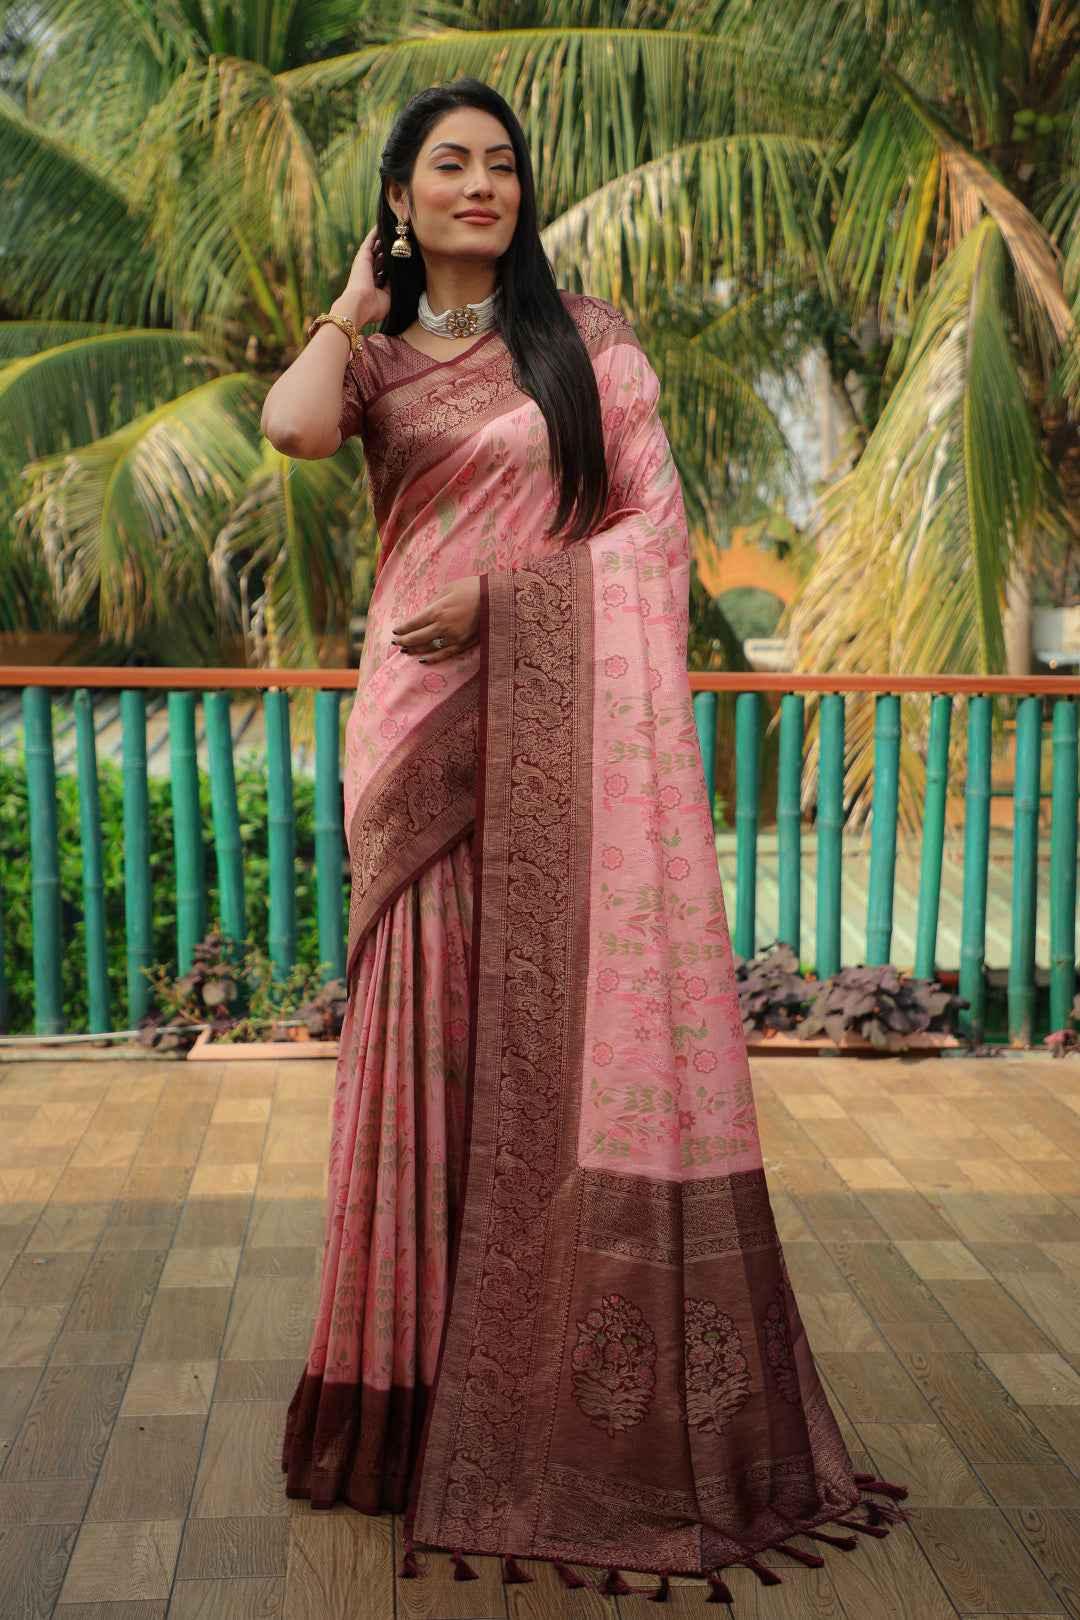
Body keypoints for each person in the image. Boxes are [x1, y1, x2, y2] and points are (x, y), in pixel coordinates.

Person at [262, 76, 909, 1602]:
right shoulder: (375, 360)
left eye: (501, 165)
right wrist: (353, 304)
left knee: (548, 1060)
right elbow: (291, 427)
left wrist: (506, 601)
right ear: (402, 197)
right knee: (425, 1060)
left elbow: (652, 540)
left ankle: (536, 1394)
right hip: (420, 736)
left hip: (563, 740)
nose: (480, 186)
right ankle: (403, 1402)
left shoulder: (589, 344)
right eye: (447, 166)